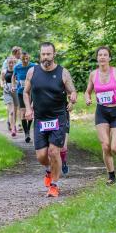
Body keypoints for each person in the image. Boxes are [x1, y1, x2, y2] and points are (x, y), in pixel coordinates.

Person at [24, 42, 77, 197]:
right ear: (40, 55)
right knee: (41, 156)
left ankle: (54, 185)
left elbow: (72, 91)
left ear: (54, 54)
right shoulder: (32, 72)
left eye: (48, 54)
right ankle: (49, 170)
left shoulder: (63, 72)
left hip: (58, 117)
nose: (45, 57)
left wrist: (72, 99)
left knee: (54, 152)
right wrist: (28, 108)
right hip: (40, 118)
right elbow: (26, 93)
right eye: (43, 54)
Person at [85, 45, 116, 185]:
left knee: (114, 148)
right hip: (102, 111)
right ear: (97, 58)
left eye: (105, 55)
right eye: (100, 55)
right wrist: (87, 98)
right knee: (105, 145)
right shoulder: (93, 74)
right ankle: (111, 176)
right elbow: (87, 91)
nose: (102, 57)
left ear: (109, 58)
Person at [12, 51, 36, 143]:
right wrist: (13, 86)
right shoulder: (17, 67)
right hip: (21, 92)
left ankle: (28, 130)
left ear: (29, 58)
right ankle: (26, 133)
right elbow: (13, 77)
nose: (25, 60)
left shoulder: (33, 66)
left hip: (31, 93)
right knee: (22, 112)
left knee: (30, 112)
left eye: (27, 59)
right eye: (23, 59)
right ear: (20, 59)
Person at [1, 56, 18, 136]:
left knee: (15, 110)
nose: (11, 64)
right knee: (11, 111)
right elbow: (2, 81)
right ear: (7, 63)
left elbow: (19, 80)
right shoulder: (4, 71)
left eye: (12, 63)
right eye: (9, 63)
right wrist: (4, 85)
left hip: (15, 91)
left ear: (14, 63)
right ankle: (13, 129)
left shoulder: (17, 71)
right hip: (7, 91)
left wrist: (15, 86)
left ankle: (13, 124)